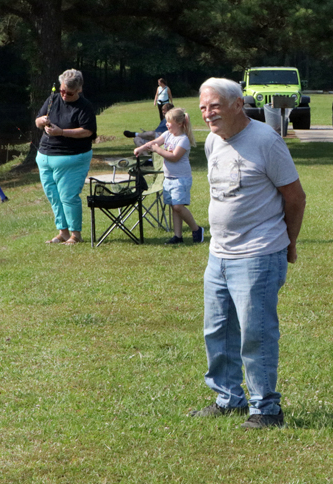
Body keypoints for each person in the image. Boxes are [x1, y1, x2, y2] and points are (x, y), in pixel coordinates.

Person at [191, 77, 306, 429]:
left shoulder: (265, 141)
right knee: (218, 330)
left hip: (259, 253)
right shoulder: (213, 141)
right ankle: (228, 399)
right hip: (219, 254)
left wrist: (288, 242)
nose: (208, 114)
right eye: (203, 107)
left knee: (256, 332)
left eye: (214, 106)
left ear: (238, 104)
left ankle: (266, 409)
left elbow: (295, 197)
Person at [34, 69, 97, 245]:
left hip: (72, 158)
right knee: (53, 196)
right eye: (62, 90)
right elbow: (38, 119)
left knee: (68, 196)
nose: (64, 95)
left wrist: (61, 132)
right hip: (46, 155)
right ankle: (62, 232)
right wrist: (42, 121)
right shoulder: (53, 99)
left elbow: (87, 131)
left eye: (68, 93)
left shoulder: (84, 107)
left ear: (79, 90)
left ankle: (75, 235)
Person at [133, 107, 204, 245]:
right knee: (173, 206)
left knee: (178, 206)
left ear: (179, 123)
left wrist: (158, 150)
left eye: (169, 122)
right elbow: (153, 143)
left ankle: (196, 229)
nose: (167, 124)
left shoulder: (183, 140)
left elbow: (174, 157)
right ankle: (178, 236)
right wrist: (141, 148)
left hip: (181, 179)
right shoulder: (167, 135)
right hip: (169, 178)